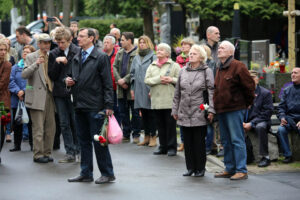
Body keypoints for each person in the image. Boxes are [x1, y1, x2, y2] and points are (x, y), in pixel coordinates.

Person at [66, 28, 115, 184]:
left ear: (91, 38)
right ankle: (86, 173)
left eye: (81, 36)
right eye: (78, 36)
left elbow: (108, 83)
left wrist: (108, 105)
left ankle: (107, 173)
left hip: (95, 106)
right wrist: (67, 82)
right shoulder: (76, 55)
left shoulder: (100, 57)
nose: (78, 39)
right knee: (83, 141)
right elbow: (70, 76)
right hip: (79, 104)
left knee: (99, 141)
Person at [213, 41, 255, 180]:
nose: (219, 49)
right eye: (219, 47)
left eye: (222, 47)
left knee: (237, 140)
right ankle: (229, 168)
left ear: (231, 52)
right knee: (225, 141)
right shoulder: (219, 67)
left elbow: (249, 87)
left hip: (235, 109)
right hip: (222, 110)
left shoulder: (238, 66)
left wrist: (246, 104)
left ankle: (241, 170)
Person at [172, 45, 215, 177]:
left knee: (198, 142)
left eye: (194, 54)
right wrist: (175, 110)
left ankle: (200, 168)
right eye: (190, 54)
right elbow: (177, 92)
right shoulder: (182, 70)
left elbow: (211, 91)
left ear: (201, 57)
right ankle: (190, 167)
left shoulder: (206, 71)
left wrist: (211, 110)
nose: (191, 55)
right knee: (188, 142)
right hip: (184, 110)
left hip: (199, 109)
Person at [48, 27, 81, 163]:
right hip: (60, 92)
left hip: (75, 92)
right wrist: (57, 62)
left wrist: (72, 76)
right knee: (63, 122)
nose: (60, 45)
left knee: (75, 121)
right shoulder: (54, 53)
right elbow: (52, 75)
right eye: (58, 42)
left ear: (70, 40)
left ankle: (79, 149)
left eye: (62, 42)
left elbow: (82, 71)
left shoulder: (77, 51)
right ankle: (69, 152)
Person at [22, 33, 56, 164]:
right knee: (38, 128)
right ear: (38, 44)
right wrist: (35, 64)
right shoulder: (31, 56)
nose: (46, 45)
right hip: (36, 96)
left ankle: (47, 152)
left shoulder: (52, 55)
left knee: (50, 128)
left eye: (48, 43)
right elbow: (24, 74)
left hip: (50, 95)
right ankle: (38, 154)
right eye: (44, 42)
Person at [145, 43, 180, 156]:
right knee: (160, 125)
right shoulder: (152, 65)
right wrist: (159, 79)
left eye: (161, 50)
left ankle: (172, 147)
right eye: (158, 50)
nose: (158, 51)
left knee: (170, 125)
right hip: (156, 100)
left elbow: (180, 80)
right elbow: (147, 80)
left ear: (167, 53)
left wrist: (171, 79)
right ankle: (163, 146)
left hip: (169, 100)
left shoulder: (174, 65)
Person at [113, 32, 141, 143]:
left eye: (123, 40)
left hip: (132, 88)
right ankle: (126, 133)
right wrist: (119, 80)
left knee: (134, 112)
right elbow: (114, 67)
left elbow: (136, 70)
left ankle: (136, 134)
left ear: (129, 41)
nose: (121, 42)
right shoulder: (120, 52)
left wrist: (125, 80)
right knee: (122, 111)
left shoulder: (137, 53)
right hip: (120, 87)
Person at [130, 35, 157, 147]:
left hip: (148, 88)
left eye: (144, 42)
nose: (141, 44)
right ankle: (145, 136)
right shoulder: (136, 57)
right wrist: (132, 89)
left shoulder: (153, 57)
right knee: (143, 114)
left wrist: (152, 89)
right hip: (138, 88)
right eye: (140, 42)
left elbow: (155, 73)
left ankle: (153, 136)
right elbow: (132, 74)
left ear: (148, 44)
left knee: (151, 114)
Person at [243, 70, 274, 167]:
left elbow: (267, 113)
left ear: (257, 80)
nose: (251, 80)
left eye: (253, 78)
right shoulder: (242, 93)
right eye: (248, 78)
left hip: (261, 121)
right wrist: (241, 122)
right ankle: (234, 156)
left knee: (260, 127)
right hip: (245, 121)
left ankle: (265, 157)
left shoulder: (265, 93)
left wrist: (251, 123)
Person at [9, 45, 35, 152]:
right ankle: (17, 145)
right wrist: (17, 91)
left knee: (30, 123)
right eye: (24, 51)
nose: (25, 53)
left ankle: (33, 145)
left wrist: (24, 90)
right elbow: (10, 81)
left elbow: (34, 82)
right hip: (17, 99)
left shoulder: (34, 67)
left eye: (28, 52)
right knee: (17, 122)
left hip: (29, 99)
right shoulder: (15, 67)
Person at [277, 67, 300, 163]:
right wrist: (282, 117)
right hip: (289, 119)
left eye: (296, 73)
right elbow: (281, 107)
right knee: (281, 129)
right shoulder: (287, 90)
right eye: (292, 73)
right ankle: (288, 155)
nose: (293, 75)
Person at [175, 37, 195, 152]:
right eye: (182, 45)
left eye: (186, 45)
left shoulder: (194, 58)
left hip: (192, 90)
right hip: (181, 89)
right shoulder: (178, 58)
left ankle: (191, 141)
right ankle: (183, 142)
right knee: (182, 117)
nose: (183, 47)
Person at [103, 35, 121, 125]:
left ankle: (116, 130)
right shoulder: (100, 55)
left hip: (115, 87)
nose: (105, 44)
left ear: (113, 45)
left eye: (108, 43)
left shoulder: (118, 55)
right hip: (103, 88)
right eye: (104, 43)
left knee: (116, 110)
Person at [0, 39, 12, 163]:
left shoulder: (7, 65)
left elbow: (3, 83)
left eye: (5, 50)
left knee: (1, 128)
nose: (3, 52)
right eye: (1, 50)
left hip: (2, 101)